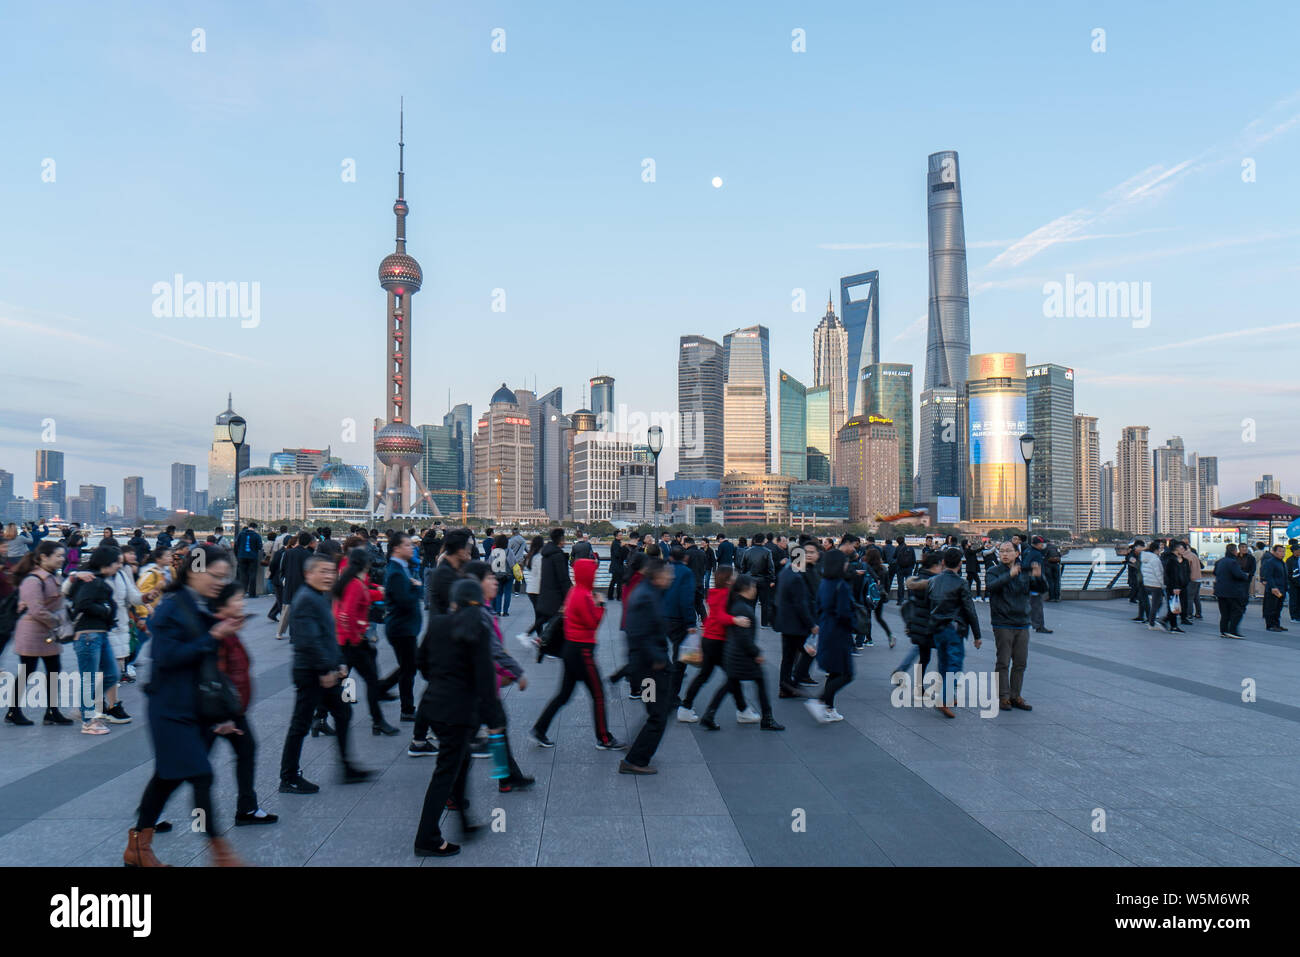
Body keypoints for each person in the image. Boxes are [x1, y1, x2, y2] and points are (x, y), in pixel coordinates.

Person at [123, 545, 245, 867]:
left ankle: (138, 848)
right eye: (215, 575)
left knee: (166, 778)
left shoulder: (200, 605)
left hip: (194, 708)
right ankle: (221, 852)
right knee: (201, 775)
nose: (221, 582)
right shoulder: (172, 607)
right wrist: (213, 635)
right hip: (170, 708)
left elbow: (206, 664)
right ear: (194, 570)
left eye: (225, 576)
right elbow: (167, 658)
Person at [413, 578, 497, 858]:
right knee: (446, 772)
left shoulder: (437, 623)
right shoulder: (479, 628)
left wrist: (440, 681)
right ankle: (427, 837)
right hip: (459, 713)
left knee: (461, 762)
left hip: (434, 707)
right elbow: (486, 679)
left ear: (454, 601)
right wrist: (492, 716)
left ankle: (464, 822)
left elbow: (421, 661)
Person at [278, 554, 373, 794]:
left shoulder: (317, 596)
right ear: (309, 573)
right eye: (323, 571)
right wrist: (325, 669)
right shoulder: (307, 599)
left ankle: (347, 767)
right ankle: (288, 777)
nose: (329, 576)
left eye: (332, 571)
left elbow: (327, 637)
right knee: (300, 724)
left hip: (322, 669)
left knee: (343, 711)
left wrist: (338, 663)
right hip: (310, 671)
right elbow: (308, 640)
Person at [530, 557, 625, 750]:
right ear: (587, 575)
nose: (596, 575)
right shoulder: (583, 595)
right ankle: (604, 738)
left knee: (564, 695)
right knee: (598, 695)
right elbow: (592, 623)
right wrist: (601, 606)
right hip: (583, 652)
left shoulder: (575, 591)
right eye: (594, 573)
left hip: (571, 650)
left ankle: (540, 729)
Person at [461, 561, 535, 792]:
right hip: (478, 688)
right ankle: (453, 791)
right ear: (476, 583)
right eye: (490, 578)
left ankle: (507, 777)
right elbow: (493, 650)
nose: (495, 581)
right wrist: (516, 672)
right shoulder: (479, 613)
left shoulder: (482, 609)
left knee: (497, 729)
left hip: (482, 685)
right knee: (467, 743)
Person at [208, 584, 278, 825]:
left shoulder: (228, 630)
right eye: (237, 600)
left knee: (246, 750)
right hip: (220, 711)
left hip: (232, 709)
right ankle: (151, 814)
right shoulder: (218, 633)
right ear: (223, 605)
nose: (243, 603)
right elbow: (214, 676)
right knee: (188, 766)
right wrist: (222, 717)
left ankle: (247, 808)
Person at [699, 573, 783, 732]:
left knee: (729, 684)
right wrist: (756, 653)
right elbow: (744, 638)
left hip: (734, 654)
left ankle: (709, 715)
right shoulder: (742, 608)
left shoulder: (736, 604)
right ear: (746, 588)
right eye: (753, 587)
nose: (755, 590)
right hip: (741, 656)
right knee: (758, 682)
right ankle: (767, 718)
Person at [5, 542, 75, 726]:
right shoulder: (33, 580)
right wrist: (58, 621)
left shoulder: (53, 577)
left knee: (54, 671)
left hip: (48, 632)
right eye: (58, 556)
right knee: (27, 671)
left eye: (63, 556)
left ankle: (52, 711)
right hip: (31, 632)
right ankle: (13, 711)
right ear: (44, 557)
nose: (62, 559)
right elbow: (36, 610)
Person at [335, 547, 400, 737]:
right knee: (370, 680)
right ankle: (378, 721)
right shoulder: (355, 584)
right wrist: (357, 637)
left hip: (350, 640)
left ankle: (319, 716)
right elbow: (346, 614)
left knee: (346, 679)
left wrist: (380, 593)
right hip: (352, 642)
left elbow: (363, 598)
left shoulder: (353, 581)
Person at [619, 559, 675, 772]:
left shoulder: (648, 592)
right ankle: (635, 760)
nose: (671, 577)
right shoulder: (646, 597)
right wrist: (658, 659)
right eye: (668, 574)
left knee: (657, 710)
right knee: (657, 715)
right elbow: (640, 635)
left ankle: (637, 748)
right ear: (658, 576)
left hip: (648, 668)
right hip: (650, 671)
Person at [378, 532, 429, 744]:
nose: (412, 548)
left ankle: (382, 689)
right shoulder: (397, 572)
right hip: (401, 628)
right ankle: (407, 709)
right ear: (397, 548)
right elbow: (404, 601)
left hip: (404, 628)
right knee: (410, 668)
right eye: (408, 545)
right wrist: (417, 589)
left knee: (408, 666)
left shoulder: (400, 568)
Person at [66, 545, 122, 734]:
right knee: (89, 678)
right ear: (107, 563)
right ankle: (88, 720)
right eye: (117, 563)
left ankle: (84, 707)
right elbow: (83, 603)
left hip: (100, 633)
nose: (119, 567)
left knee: (112, 674)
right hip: (88, 634)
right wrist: (106, 610)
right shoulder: (92, 580)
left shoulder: (96, 579)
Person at [681, 565, 745, 720]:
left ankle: (686, 707)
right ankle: (743, 710)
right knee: (732, 676)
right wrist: (736, 620)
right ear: (728, 580)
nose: (736, 577)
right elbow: (721, 617)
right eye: (734, 575)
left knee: (704, 675)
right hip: (718, 641)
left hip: (709, 639)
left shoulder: (715, 593)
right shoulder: (725, 595)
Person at [925, 547, 983, 719]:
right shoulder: (961, 583)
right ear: (960, 564)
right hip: (953, 628)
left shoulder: (933, 580)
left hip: (937, 627)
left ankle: (948, 695)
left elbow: (928, 603)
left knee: (943, 662)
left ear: (943, 562)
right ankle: (944, 699)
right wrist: (977, 635)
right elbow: (970, 610)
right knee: (955, 664)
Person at [985, 542, 1035, 711]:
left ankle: (1016, 695)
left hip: (1022, 622)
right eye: (1002, 551)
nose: (1004, 554)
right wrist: (1010, 575)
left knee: (1020, 662)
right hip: (1003, 622)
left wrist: (1040, 576)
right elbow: (991, 587)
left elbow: (1040, 589)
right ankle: (1003, 697)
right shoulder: (993, 571)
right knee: (1003, 662)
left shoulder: (1023, 572)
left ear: (1016, 554)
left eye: (1008, 551)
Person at [893, 550, 944, 704]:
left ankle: (919, 686)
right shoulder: (933, 583)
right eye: (941, 565)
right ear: (935, 566)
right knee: (942, 657)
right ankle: (944, 689)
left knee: (924, 658)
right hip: (930, 625)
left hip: (919, 625)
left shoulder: (918, 579)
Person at [774, 541, 818, 698]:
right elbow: (800, 604)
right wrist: (811, 624)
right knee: (810, 652)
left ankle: (784, 687)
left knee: (788, 657)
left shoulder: (785, 573)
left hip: (785, 622)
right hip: (796, 624)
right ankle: (791, 685)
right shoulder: (797, 577)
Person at [662, 545, 699, 706]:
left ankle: (657, 689)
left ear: (670, 557)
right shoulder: (686, 573)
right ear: (685, 558)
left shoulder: (665, 570)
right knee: (680, 659)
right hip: (679, 619)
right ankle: (671, 695)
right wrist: (691, 622)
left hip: (663, 617)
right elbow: (686, 599)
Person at [275, 531, 313, 639]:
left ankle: (279, 633)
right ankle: (296, 633)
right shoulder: (308, 555)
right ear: (309, 542)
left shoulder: (288, 552)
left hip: (289, 585)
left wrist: (283, 579)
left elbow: (282, 568)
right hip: (302, 586)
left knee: (286, 611)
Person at [534, 528, 570, 638]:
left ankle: (533, 637)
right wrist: (569, 593)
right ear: (561, 540)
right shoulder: (557, 555)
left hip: (546, 591)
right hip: (555, 594)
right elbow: (563, 578)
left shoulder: (546, 554)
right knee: (556, 621)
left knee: (545, 619)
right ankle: (543, 641)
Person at [1213, 543, 1250, 639]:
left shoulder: (1220, 561)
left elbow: (1215, 572)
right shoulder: (1233, 562)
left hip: (1220, 590)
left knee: (1224, 612)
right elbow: (1238, 574)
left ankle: (1224, 631)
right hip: (1232, 591)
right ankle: (1232, 630)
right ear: (1234, 551)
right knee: (1237, 611)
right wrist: (1245, 575)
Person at [1020, 537, 1052, 634]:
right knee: (1037, 605)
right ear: (1038, 544)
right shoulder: (1036, 554)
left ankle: (1032, 623)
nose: (1043, 545)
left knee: (1031, 604)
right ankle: (1039, 625)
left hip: (1027, 581)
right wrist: (1033, 568)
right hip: (1035, 582)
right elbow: (1027, 565)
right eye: (1042, 544)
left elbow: (1022, 564)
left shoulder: (1027, 551)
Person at [741, 537, 775, 627]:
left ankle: (751, 621)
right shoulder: (767, 552)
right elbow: (771, 568)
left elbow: (743, 567)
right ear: (763, 541)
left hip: (750, 580)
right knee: (765, 603)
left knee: (751, 603)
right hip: (763, 580)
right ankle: (764, 623)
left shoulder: (747, 551)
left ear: (754, 541)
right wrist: (772, 579)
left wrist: (744, 577)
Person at [518, 535, 546, 641]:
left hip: (531, 589)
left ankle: (539, 638)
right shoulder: (539, 558)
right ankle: (534, 636)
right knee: (544, 616)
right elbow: (541, 575)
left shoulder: (530, 556)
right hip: (538, 590)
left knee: (539, 616)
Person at [1161, 541, 1190, 634]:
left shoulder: (1185, 561)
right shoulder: (1171, 560)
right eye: (1181, 548)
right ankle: (1173, 626)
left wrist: (1186, 582)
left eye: (1184, 549)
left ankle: (1166, 621)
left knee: (1181, 606)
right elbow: (1169, 575)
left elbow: (1187, 573)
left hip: (1183, 587)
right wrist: (1174, 587)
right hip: (1173, 587)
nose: (1183, 550)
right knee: (1174, 606)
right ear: (1176, 549)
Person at [1138, 540, 1166, 630]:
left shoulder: (1145, 558)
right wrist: (1163, 584)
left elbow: (1143, 571)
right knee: (1157, 603)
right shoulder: (1155, 559)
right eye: (1159, 549)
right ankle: (1151, 622)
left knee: (1156, 603)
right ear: (1156, 550)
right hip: (1156, 584)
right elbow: (1159, 573)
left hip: (1147, 583)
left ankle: (1151, 620)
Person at [1261, 544, 1288, 632]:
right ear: (1274, 552)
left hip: (1282, 588)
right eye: (1280, 551)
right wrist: (1273, 587)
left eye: (1283, 551)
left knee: (1278, 608)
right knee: (1271, 607)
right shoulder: (1270, 562)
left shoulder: (1282, 562)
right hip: (1274, 589)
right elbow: (1269, 576)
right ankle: (1270, 625)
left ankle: (1277, 624)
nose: (1282, 553)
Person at [233, 522, 264, 598]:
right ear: (255, 528)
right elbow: (260, 547)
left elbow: (236, 545)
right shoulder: (257, 535)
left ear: (248, 527)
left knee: (243, 575)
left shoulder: (241, 534)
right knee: (252, 575)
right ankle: (252, 593)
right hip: (252, 557)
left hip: (241, 556)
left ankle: (242, 593)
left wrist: (237, 555)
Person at [488, 534, 513, 618]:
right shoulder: (509, 551)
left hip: (497, 575)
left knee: (498, 594)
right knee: (507, 593)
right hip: (508, 575)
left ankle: (498, 611)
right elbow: (512, 563)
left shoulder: (494, 551)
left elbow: (489, 563)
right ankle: (505, 612)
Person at [893, 536, 914, 604]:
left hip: (900, 569)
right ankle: (910, 599)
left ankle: (900, 600)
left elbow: (894, 557)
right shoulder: (910, 548)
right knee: (909, 584)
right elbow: (913, 558)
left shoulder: (898, 548)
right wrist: (912, 567)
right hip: (909, 568)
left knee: (900, 585)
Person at [607, 532, 627, 601]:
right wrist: (622, 547)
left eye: (622, 535)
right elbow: (617, 554)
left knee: (614, 581)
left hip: (616, 565)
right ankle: (618, 596)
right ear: (616, 536)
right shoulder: (616, 544)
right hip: (617, 565)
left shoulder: (617, 543)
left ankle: (611, 595)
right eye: (620, 535)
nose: (621, 536)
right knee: (618, 581)